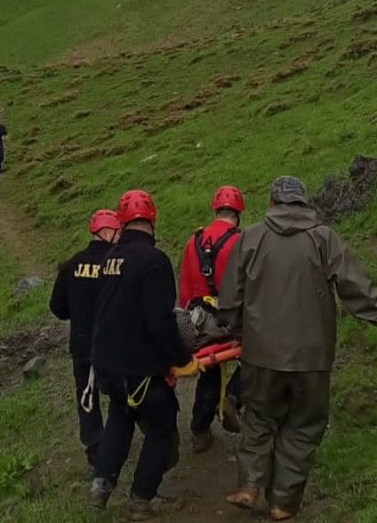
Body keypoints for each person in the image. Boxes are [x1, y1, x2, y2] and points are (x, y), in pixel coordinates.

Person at [219, 176, 377, 521]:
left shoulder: (252, 237)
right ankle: (283, 503)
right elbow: (359, 291)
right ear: (304, 203)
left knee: (259, 417)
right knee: (304, 426)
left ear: (273, 203)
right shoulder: (325, 238)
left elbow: (230, 296)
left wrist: (231, 327)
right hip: (312, 356)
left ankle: (249, 484)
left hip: (261, 353)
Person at [89, 190, 201, 521]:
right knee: (162, 427)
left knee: (120, 418)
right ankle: (143, 497)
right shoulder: (154, 261)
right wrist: (182, 359)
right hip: (137, 368)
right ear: (153, 219)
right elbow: (159, 321)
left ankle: (101, 484)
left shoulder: (111, 258)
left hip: (107, 362)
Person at [49, 210, 122, 471]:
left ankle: (96, 449)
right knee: (120, 394)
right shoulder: (115, 265)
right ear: (109, 232)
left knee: (86, 396)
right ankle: (118, 443)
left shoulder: (71, 265)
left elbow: (57, 308)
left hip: (81, 344)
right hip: (111, 343)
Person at [179, 185, 245, 452]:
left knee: (209, 374)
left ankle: (199, 430)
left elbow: (184, 288)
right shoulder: (240, 242)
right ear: (238, 213)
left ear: (215, 209)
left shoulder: (193, 241)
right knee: (258, 358)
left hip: (199, 322)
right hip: (230, 321)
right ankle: (234, 396)